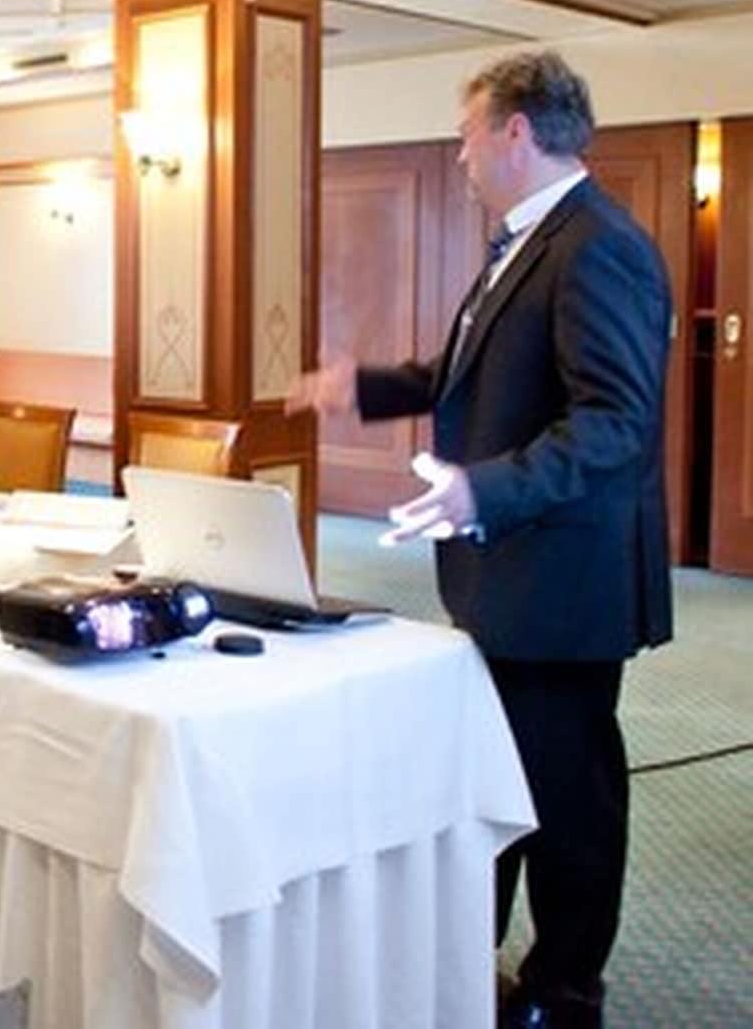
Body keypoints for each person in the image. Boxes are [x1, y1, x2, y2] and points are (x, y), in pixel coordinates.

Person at [287, 51, 670, 1029]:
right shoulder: (526, 240)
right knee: (500, 781)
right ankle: (477, 970)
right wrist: (366, 388)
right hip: (509, 575)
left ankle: (564, 994)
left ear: (514, 131)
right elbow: (463, 371)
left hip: (565, 584)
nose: (458, 158)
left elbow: (614, 422)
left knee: (568, 802)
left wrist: (481, 489)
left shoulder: (598, 246)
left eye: (465, 136)